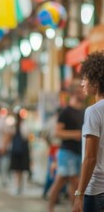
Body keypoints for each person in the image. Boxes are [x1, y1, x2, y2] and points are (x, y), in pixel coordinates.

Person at [73, 52, 104, 212]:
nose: (82, 83)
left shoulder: (93, 111)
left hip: (96, 189)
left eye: (85, 78)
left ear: (96, 82)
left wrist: (79, 193)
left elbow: (90, 157)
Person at [48, 81, 85, 212]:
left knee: (65, 183)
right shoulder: (66, 112)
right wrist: (75, 134)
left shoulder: (83, 111)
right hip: (67, 152)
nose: (84, 93)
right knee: (74, 184)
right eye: (81, 91)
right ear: (74, 93)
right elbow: (57, 132)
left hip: (78, 152)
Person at [8, 108, 31, 195]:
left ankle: (18, 185)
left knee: (17, 169)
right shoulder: (23, 125)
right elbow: (26, 136)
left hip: (16, 149)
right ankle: (18, 185)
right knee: (19, 169)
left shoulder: (14, 126)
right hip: (21, 149)